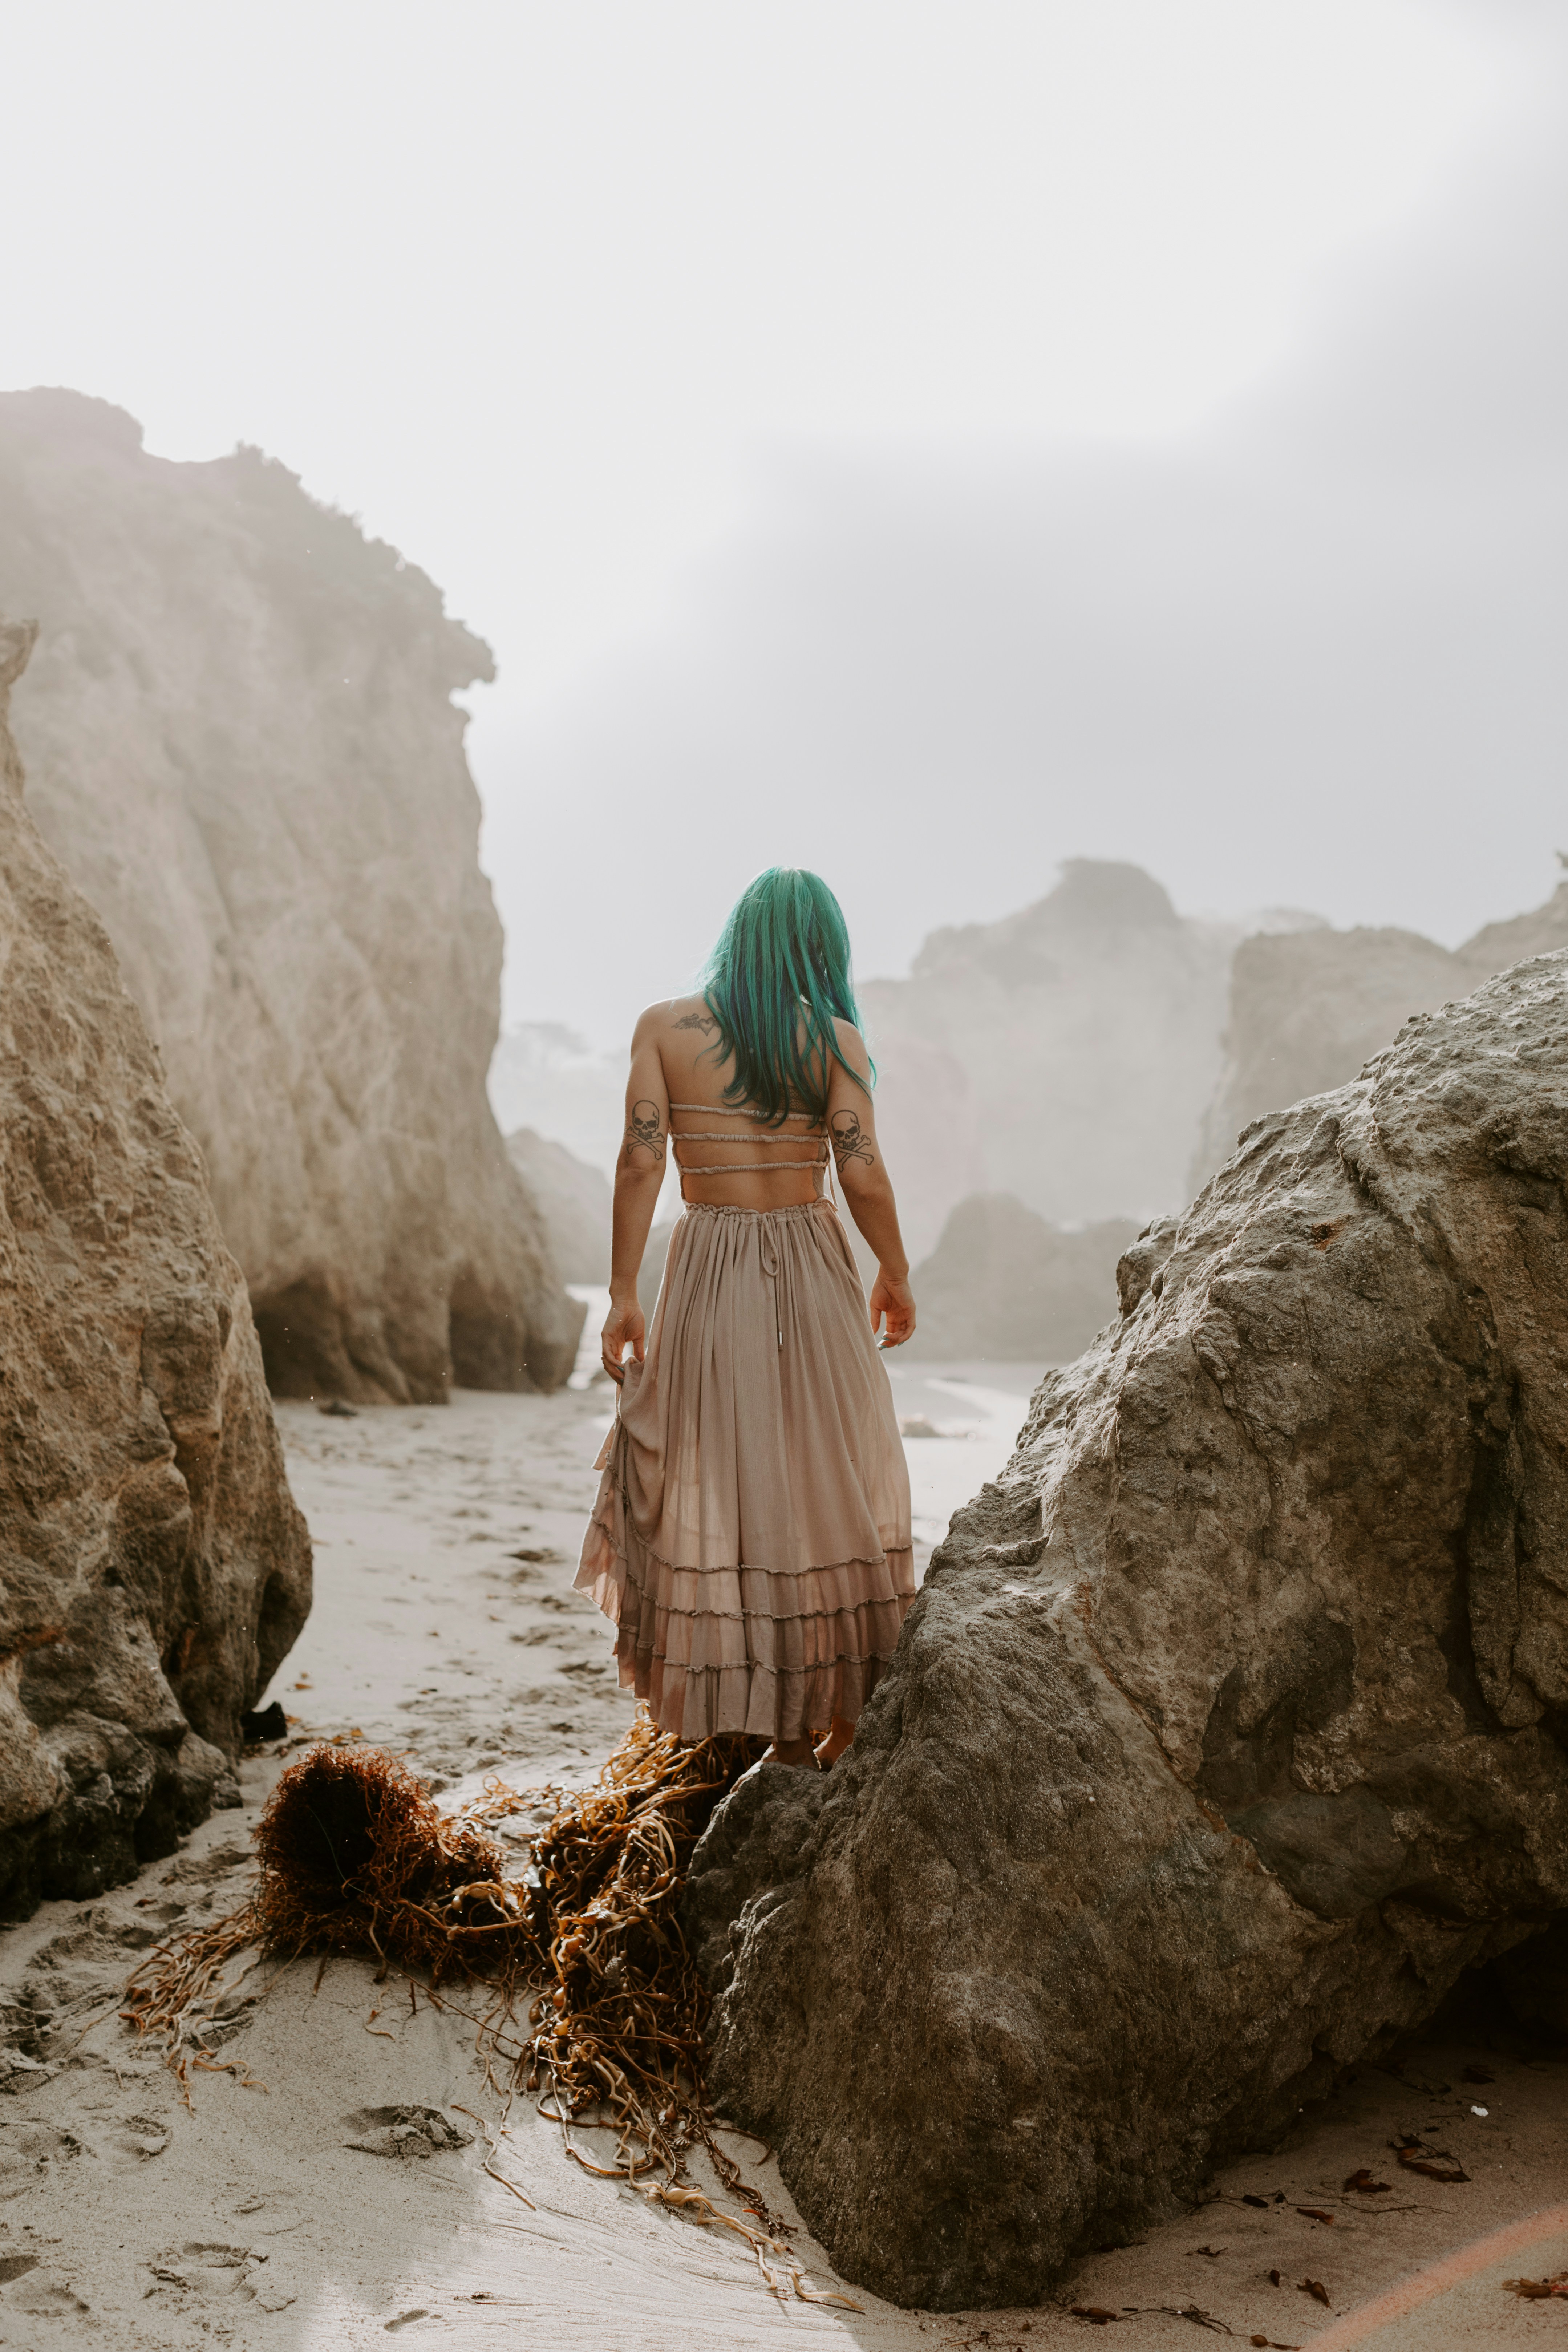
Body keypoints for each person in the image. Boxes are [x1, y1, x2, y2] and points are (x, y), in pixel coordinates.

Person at [575, 867, 916, 1769]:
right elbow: (862, 1168)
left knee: (731, 1473)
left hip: (709, 1267)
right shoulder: (834, 1041)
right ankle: (839, 1708)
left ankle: (777, 1719)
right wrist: (895, 1269)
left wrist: (621, 1291)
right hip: (809, 1264)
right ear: (820, 948)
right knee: (830, 1466)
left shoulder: (664, 1027)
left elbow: (639, 1163)